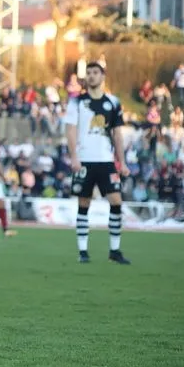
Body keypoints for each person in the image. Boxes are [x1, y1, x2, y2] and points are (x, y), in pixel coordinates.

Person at [64, 61, 130, 264]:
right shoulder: (76, 102)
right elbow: (71, 130)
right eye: (89, 73)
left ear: (103, 76)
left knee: (116, 202)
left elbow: (117, 134)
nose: (91, 76)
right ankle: (83, 251)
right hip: (84, 160)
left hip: (105, 161)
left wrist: (123, 162)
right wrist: (74, 156)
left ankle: (114, 250)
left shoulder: (113, 102)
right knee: (84, 203)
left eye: (95, 72)